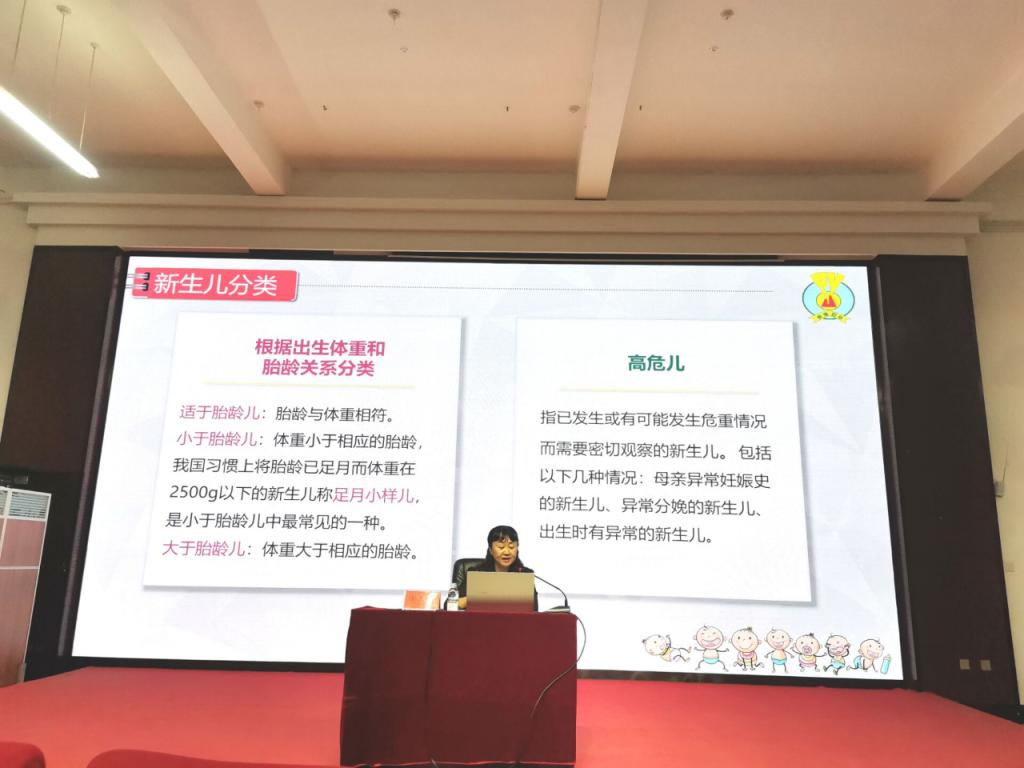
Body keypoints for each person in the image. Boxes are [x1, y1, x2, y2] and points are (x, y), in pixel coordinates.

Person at [456, 524, 535, 610]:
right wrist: (480, 598)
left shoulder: (525, 575)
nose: (507, 552)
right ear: (490, 550)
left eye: (511, 547)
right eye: (501, 547)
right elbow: (449, 605)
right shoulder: (476, 573)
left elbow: (534, 609)